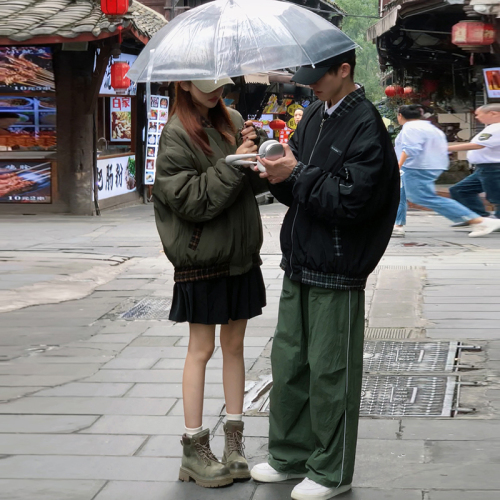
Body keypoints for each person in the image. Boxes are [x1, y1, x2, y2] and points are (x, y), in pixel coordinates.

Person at [250, 49, 400, 499]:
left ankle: (331, 471)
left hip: (338, 263)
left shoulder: (365, 123)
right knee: (290, 364)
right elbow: (301, 184)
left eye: (318, 76)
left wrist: (296, 173)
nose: (309, 84)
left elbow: (353, 201)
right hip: (300, 258)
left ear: (344, 71)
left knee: (331, 372)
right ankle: (289, 454)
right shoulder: (315, 113)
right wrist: (273, 171)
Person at [153, 78, 268, 488]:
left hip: (239, 254)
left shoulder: (232, 120)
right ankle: (195, 448)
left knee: (235, 346)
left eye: (221, 83)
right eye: (207, 85)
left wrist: (257, 154)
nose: (217, 91)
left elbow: (250, 186)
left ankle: (234, 444)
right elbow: (189, 200)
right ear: (184, 84)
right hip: (201, 256)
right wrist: (230, 163)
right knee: (201, 349)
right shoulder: (176, 134)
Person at [392, 104, 500, 238]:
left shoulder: (410, 127)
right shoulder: (429, 126)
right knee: (400, 193)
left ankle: (479, 220)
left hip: (417, 166)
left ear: (400, 116)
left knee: (421, 196)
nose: (477, 117)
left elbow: (410, 149)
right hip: (431, 165)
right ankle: (398, 224)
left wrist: (398, 165)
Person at [448, 104, 500, 228]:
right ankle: (478, 218)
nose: (477, 118)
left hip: (493, 168)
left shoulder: (497, 128)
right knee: (460, 190)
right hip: (484, 168)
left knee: (496, 196)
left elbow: (478, 145)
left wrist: (446, 148)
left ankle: (496, 222)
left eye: (478, 114)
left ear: (493, 114)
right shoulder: (492, 128)